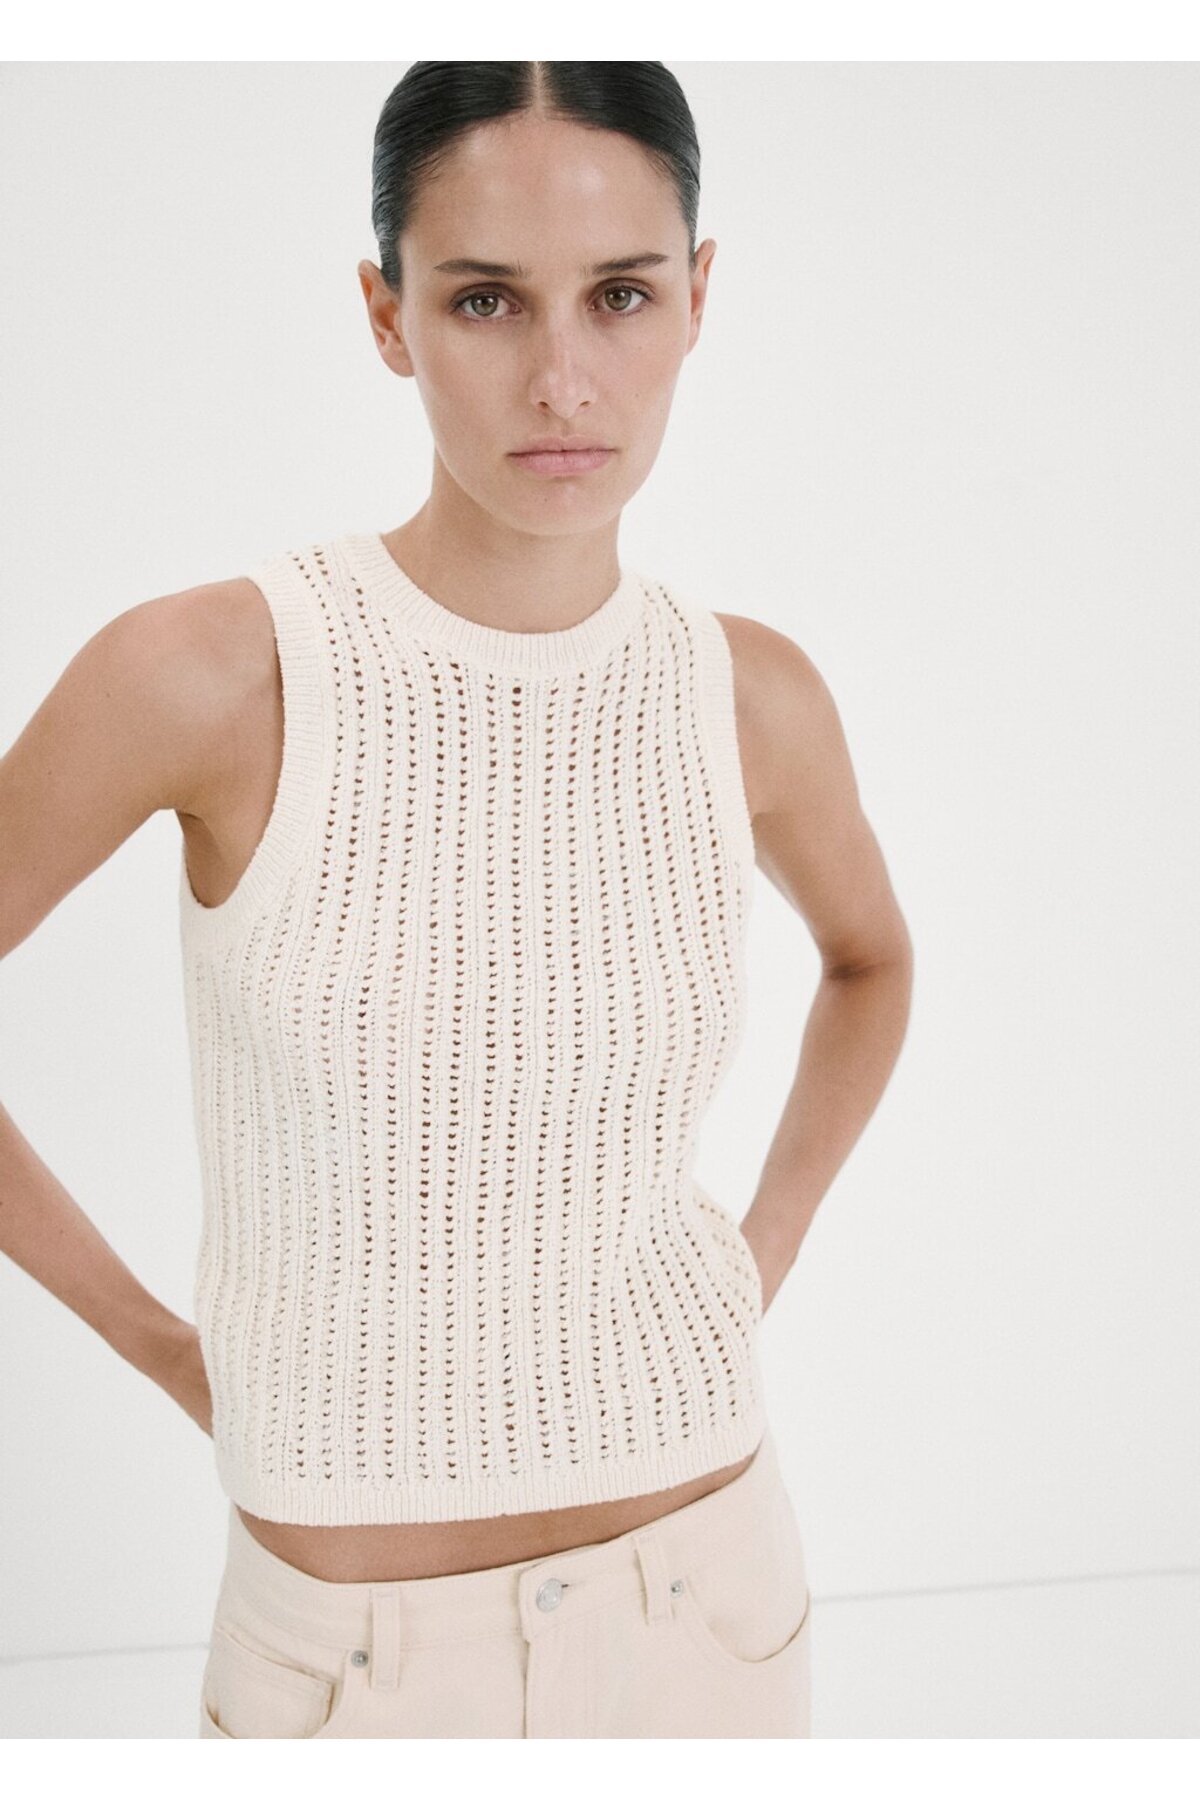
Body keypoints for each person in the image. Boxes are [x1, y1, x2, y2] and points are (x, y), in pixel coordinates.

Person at [0, 61, 913, 1738]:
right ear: (386, 313)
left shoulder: (748, 696)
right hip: (351, 1666)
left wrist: (758, 1253)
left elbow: (872, 963)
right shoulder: (213, 674)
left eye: (622, 294)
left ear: (698, 298)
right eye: (485, 298)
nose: (564, 377)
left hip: (708, 1605)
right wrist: (169, 1349)